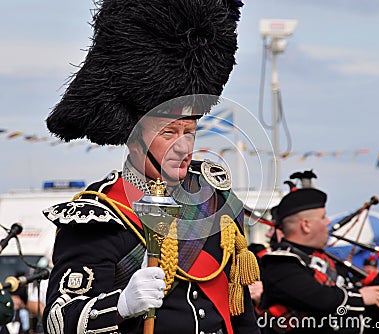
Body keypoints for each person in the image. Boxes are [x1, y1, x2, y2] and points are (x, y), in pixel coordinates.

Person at [42, 0, 261, 334]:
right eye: (168, 132)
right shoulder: (99, 216)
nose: (184, 146)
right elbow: (59, 321)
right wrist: (121, 305)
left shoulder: (216, 198)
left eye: (190, 131)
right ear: (133, 137)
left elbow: (239, 308)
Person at [258, 187, 379, 334]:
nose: (328, 221)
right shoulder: (280, 264)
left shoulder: (323, 259)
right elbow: (320, 298)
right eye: (323, 217)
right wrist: (361, 297)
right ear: (306, 225)